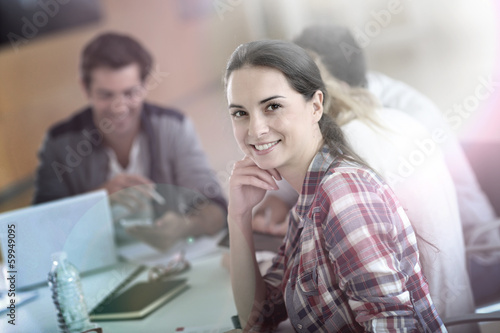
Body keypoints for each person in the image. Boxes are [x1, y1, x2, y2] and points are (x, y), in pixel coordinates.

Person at [225, 39, 446, 332]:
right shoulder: (308, 199)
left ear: (315, 106)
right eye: (240, 113)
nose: (255, 129)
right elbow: (257, 316)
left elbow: (395, 325)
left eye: (273, 106)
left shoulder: (343, 195)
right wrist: (238, 215)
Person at [33, 32, 227, 251]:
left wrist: (186, 227)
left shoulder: (174, 127)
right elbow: (38, 228)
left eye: (130, 93)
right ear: (84, 88)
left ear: (144, 86)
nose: (119, 107)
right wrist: (97, 201)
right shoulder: (60, 143)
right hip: (94, 265)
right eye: (106, 95)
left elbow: (216, 209)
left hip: (168, 260)